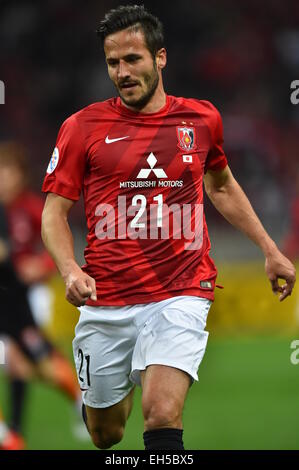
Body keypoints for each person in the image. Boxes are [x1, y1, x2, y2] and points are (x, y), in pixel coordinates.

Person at [41, 5, 296, 450]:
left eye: (132, 59)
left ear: (160, 58)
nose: (122, 72)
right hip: (107, 299)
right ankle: (104, 395)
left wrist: (269, 249)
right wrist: (69, 269)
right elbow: (53, 213)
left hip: (181, 291)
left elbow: (222, 187)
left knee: (161, 414)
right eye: (112, 62)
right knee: (106, 435)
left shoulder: (200, 120)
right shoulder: (81, 128)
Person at [0, 143, 84, 444]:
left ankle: (79, 399)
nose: (3, 179)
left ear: (21, 176)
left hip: (29, 296)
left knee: (33, 361)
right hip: (8, 295)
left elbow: (57, 241)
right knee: (18, 361)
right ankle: (15, 435)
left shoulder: (32, 208)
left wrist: (43, 264)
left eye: (8, 172)